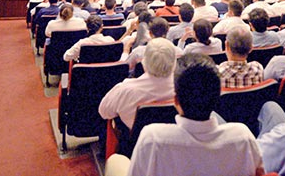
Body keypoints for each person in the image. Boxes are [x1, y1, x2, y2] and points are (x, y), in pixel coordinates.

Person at [105, 53, 264, 176]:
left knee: (115, 161)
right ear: (218, 98)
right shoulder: (243, 136)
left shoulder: (152, 137)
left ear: (176, 101)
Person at [98, 37, 177, 130]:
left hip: (134, 142)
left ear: (144, 62)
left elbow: (104, 113)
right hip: (177, 143)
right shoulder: (188, 90)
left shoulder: (125, 89)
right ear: (174, 63)